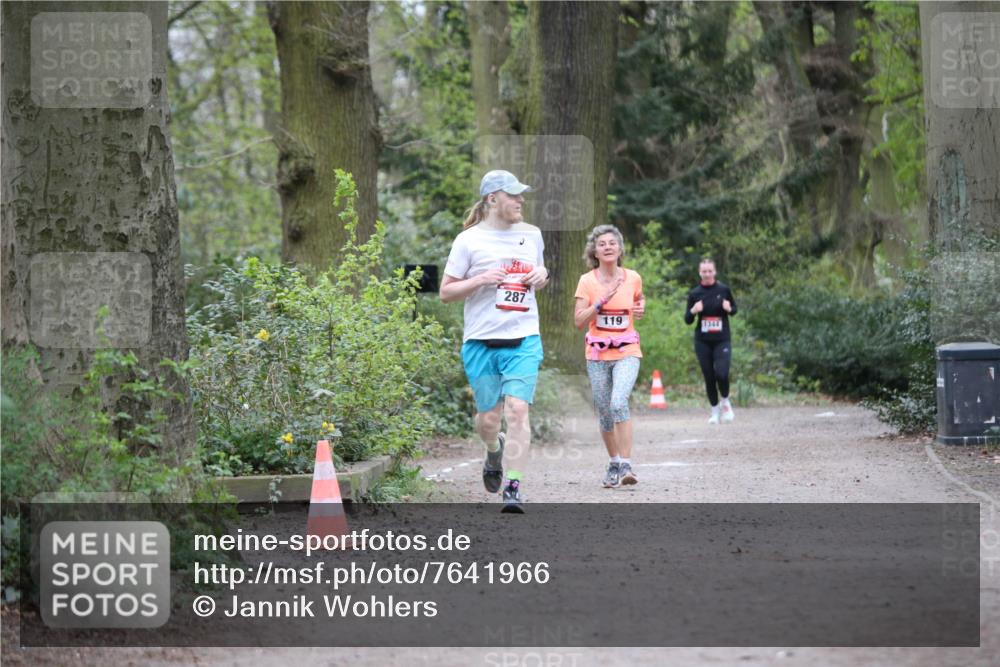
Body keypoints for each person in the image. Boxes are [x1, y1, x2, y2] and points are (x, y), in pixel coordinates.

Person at [440, 170, 548, 513]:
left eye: (521, 196)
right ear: (492, 199)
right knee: (489, 420)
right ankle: (493, 450)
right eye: (513, 195)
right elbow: (446, 292)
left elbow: (539, 276)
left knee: (518, 410)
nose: (520, 201)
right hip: (481, 341)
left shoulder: (532, 235)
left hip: (523, 337)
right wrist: (482, 279)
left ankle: (513, 487)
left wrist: (542, 276)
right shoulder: (468, 240)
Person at [574, 225, 645, 488]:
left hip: (627, 351)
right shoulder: (586, 281)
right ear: (594, 250)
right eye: (601, 243)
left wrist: (641, 307)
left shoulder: (633, 277)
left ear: (620, 248)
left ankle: (627, 464)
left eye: (612, 243)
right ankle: (614, 462)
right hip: (597, 354)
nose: (607, 247)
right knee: (604, 412)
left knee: (618, 403)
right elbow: (579, 320)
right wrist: (602, 300)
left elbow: (638, 300)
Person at [684, 258, 737, 424]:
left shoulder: (724, 289)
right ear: (700, 273)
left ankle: (725, 402)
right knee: (709, 376)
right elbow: (687, 319)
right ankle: (715, 412)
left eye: (710, 271)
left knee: (721, 373)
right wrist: (693, 310)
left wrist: (729, 309)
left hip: (722, 339)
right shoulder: (695, 293)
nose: (707, 274)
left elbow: (734, 309)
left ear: (714, 272)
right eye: (704, 271)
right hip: (703, 340)